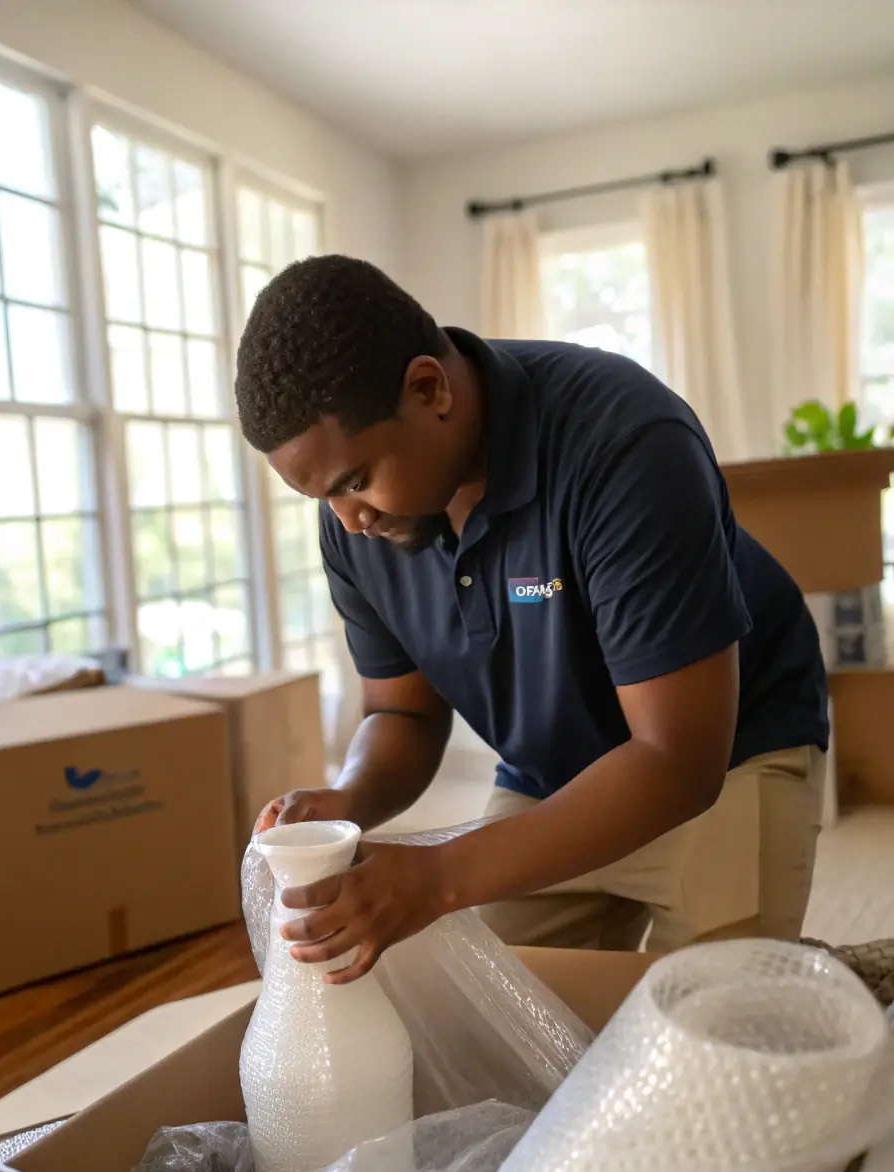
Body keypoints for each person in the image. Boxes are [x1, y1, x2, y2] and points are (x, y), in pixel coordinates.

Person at [235, 254, 828, 985]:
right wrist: (348, 797)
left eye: (355, 480)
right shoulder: (360, 525)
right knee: (498, 1029)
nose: (348, 520)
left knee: (715, 1036)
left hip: (726, 754)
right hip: (550, 770)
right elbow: (403, 713)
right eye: (322, 497)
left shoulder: (626, 443)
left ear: (429, 389)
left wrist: (437, 877)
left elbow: (677, 762)